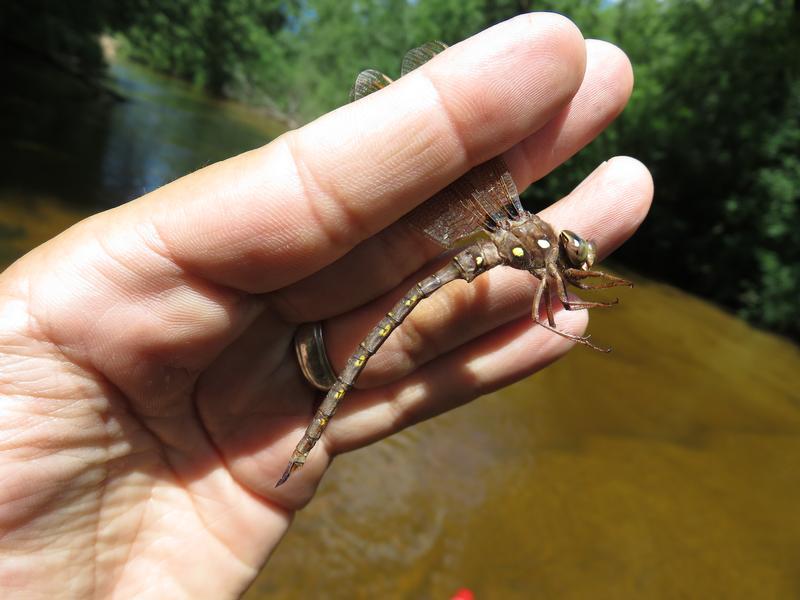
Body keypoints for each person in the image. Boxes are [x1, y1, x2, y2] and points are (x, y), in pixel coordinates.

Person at [0, 13, 651, 598]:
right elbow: (547, 298)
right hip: (463, 259)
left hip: (473, 254)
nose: (573, 258)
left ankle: (311, 433)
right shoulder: (535, 244)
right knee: (401, 339)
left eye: (572, 257)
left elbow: (551, 290)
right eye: (572, 254)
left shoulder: (541, 251)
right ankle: (311, 429)